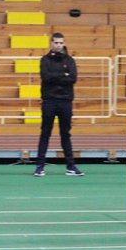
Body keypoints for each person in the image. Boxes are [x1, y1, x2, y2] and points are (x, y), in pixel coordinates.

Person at [33, 32, 85, 177]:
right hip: (49, 100)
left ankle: (71, 166)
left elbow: (73, 78)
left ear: (64, 43)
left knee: (65, 134)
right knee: (45, 133)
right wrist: (63, 75)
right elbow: (46, 77)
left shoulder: (70, 60)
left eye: (61, 43)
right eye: (56, 42)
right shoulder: (45, 60)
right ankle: (39, 166)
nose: (58, 45)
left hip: (65, 101)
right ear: (51, 43)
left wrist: (59, 76)